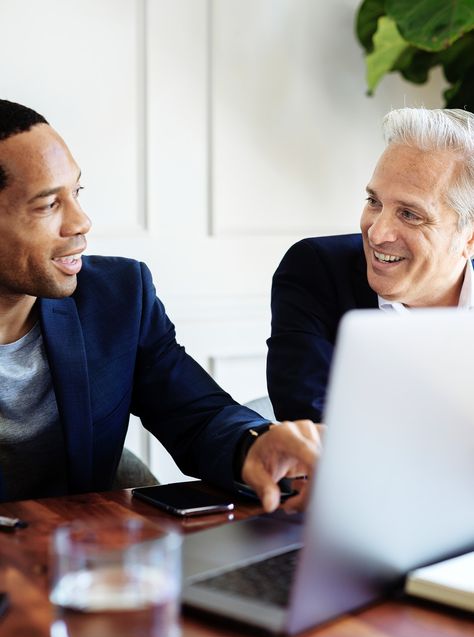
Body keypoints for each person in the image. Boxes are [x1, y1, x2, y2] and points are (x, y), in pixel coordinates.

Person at [0, 99, 322, 511]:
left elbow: (198, 416)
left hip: (79, 557)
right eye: (48, 205)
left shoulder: (117, 296)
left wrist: (254, 446)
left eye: (77, 192)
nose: (81, 222)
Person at [267, 107, 474, 422]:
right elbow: (313, 430)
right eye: (374, 202)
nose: (377, 233)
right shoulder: (315, 270)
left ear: (469, 237)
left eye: (409, 214)